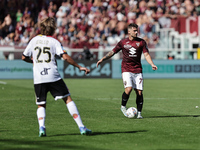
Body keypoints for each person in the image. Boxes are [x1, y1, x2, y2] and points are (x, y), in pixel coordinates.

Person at [22, 17, 92, 137]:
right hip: (53, 76)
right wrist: (79, 66)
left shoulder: (34, 40)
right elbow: (65, 57)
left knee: (41, 104)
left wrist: (34, 62)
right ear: (53, 29)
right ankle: (81, 127)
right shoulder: (54, 41)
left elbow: (24, 57)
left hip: (39, 78)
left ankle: (42, 129)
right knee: (67, 99)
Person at [96, 23, 157, 119]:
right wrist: (103, 59)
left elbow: (146, 55)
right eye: (134, 30)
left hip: (137, 69)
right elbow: (113, 52)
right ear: (129, 31)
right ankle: (123, 107)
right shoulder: (123, 42)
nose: (136, 32)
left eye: (137, 30)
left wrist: (152, 64)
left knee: (139, 92)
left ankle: (139, 113)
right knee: (128, 89)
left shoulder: (141, 42)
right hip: (126, 68)